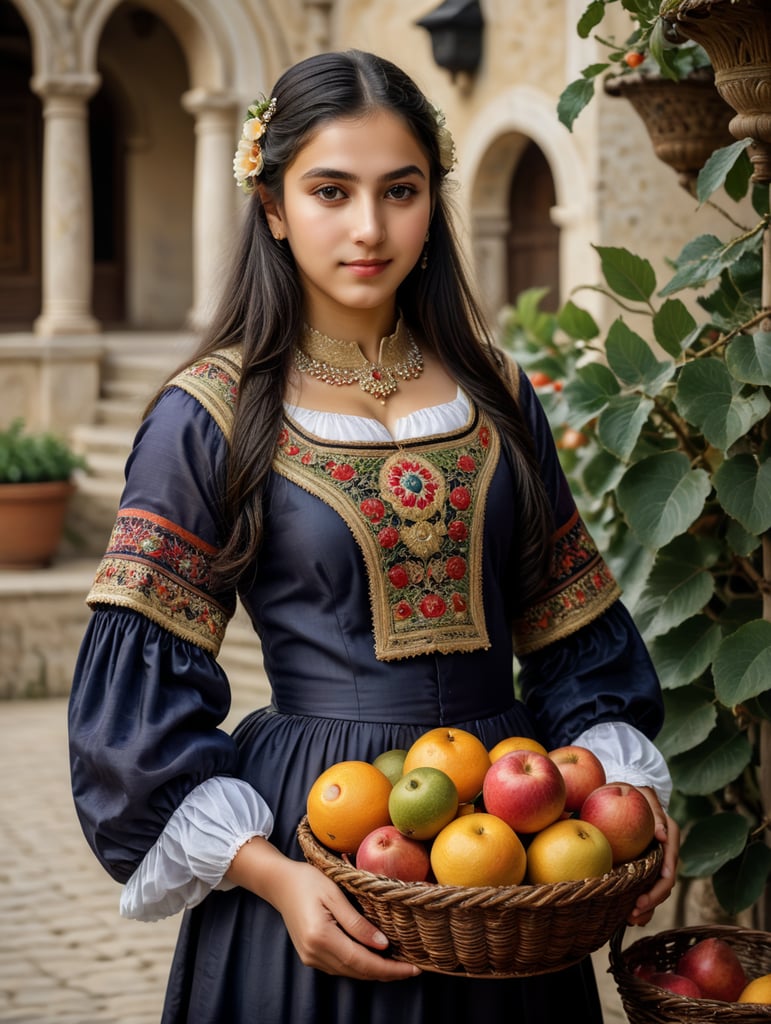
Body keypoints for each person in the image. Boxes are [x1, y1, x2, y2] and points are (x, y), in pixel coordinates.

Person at [68, 49, 679, 1024]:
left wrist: (624, 792)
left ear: (432, 200)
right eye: (330, 191)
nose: (369, 227)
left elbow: (572, 630)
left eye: (400, 190)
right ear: (272, 205)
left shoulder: (497, 393)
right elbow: (135, 701)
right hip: (317, 841)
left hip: (509, 848)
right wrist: (270, 874)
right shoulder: (211, 415)